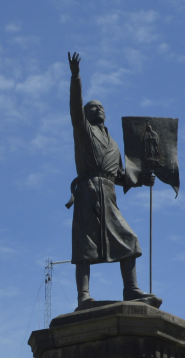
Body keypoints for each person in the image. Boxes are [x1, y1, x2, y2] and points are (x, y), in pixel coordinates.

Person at [65, 52, 157, 309]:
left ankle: (131, 289)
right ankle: (83, 296)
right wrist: (76, 78)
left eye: (102, 106)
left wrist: (141, 180)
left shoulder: (113, 144)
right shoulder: (83, 131)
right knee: (84, 246)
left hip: (108, 194)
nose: (100, 108)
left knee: (129, 239)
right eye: (93, 106)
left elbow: (119, 176)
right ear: (85, 113)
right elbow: (75, 106)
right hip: (88, 192)